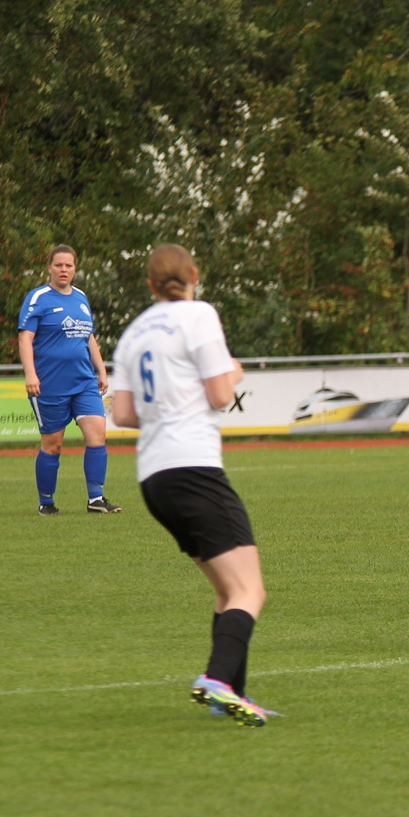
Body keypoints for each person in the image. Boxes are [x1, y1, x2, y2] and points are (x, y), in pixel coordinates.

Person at [109, 244, 276, 727]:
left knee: (228, 591)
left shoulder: (133, 332)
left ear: (149, 284)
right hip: (195, 469)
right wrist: (235, 372)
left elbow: (121, 414)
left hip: (153, 477)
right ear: (194, 275)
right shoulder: (198, 315)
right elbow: (221, 394)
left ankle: (233, 693)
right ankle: (217, 680)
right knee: (250, 590)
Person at [17, 244, 121, 515]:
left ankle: (96, 499)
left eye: (69, 265)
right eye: (58, 265)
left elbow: (89, 337)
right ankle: (46, 502)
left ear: (75, 269)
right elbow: (25, 338)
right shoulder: (38, 297)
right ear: (49, 267)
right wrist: (30, 373)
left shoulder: (81, 298)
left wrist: (101, 369)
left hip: (84, 381)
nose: (64, 270)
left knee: (97, 432)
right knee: (54, 444)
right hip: (50, 384)